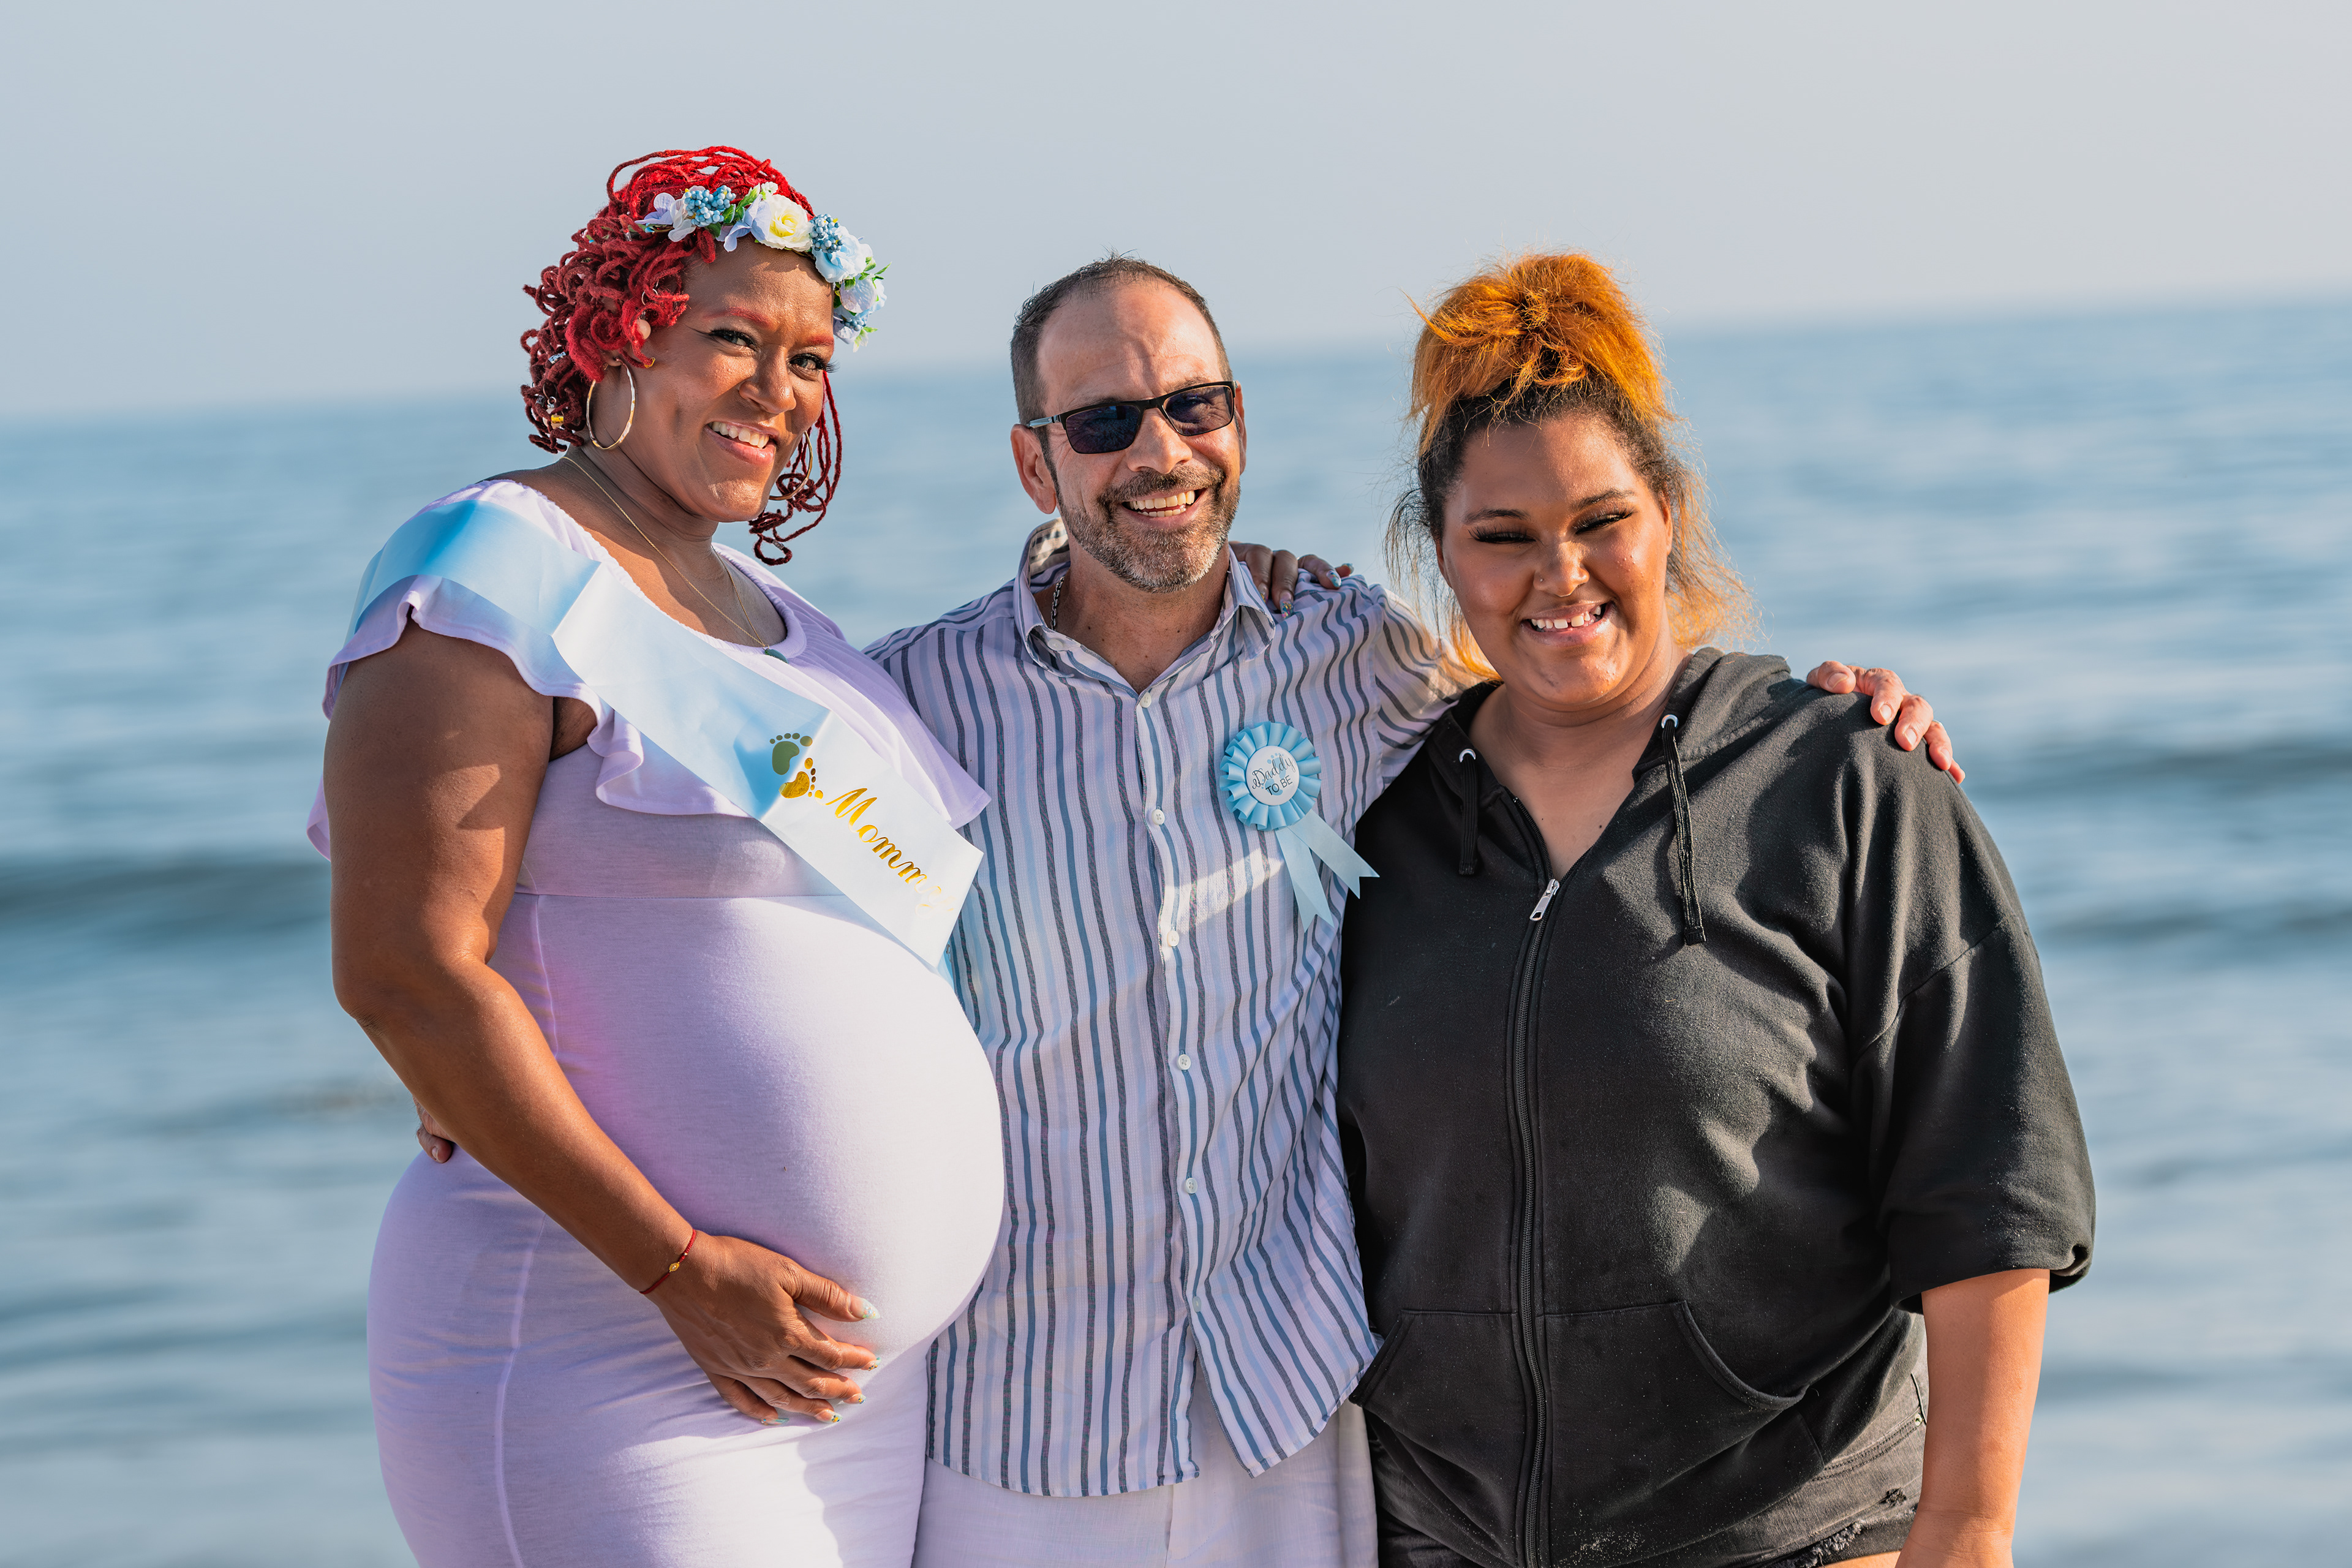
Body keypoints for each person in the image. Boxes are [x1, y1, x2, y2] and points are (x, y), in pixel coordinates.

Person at [864, 257, 1961, 1568]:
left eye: (1194, 405)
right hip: (1018, 1419)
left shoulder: (1357, 652)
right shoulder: (908, 706)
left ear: (1239, 423)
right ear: (1033, 461)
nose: (1160, 450)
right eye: (1105, 420)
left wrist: (1816, 723)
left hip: (1296, 1412)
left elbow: (1574, 668)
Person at [1335, 254, 2095, 1568]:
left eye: (1601, 521)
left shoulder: (1841, 783)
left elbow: (1988, 1182)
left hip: (1796, 1534)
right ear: (1440, 553)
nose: (1560, 574)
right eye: (1503, 537)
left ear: (1669, 515)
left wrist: (1968, 1532)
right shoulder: (1376, 826)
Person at [318, 147, 1009, 1567]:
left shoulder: (790, 630)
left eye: (810, 359)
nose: (779, 391)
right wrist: (678, 1268)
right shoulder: (487, 566)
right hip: (616, 1341)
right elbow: (407, 973)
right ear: (616, 332)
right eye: (733, 339)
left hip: (843, 1389)